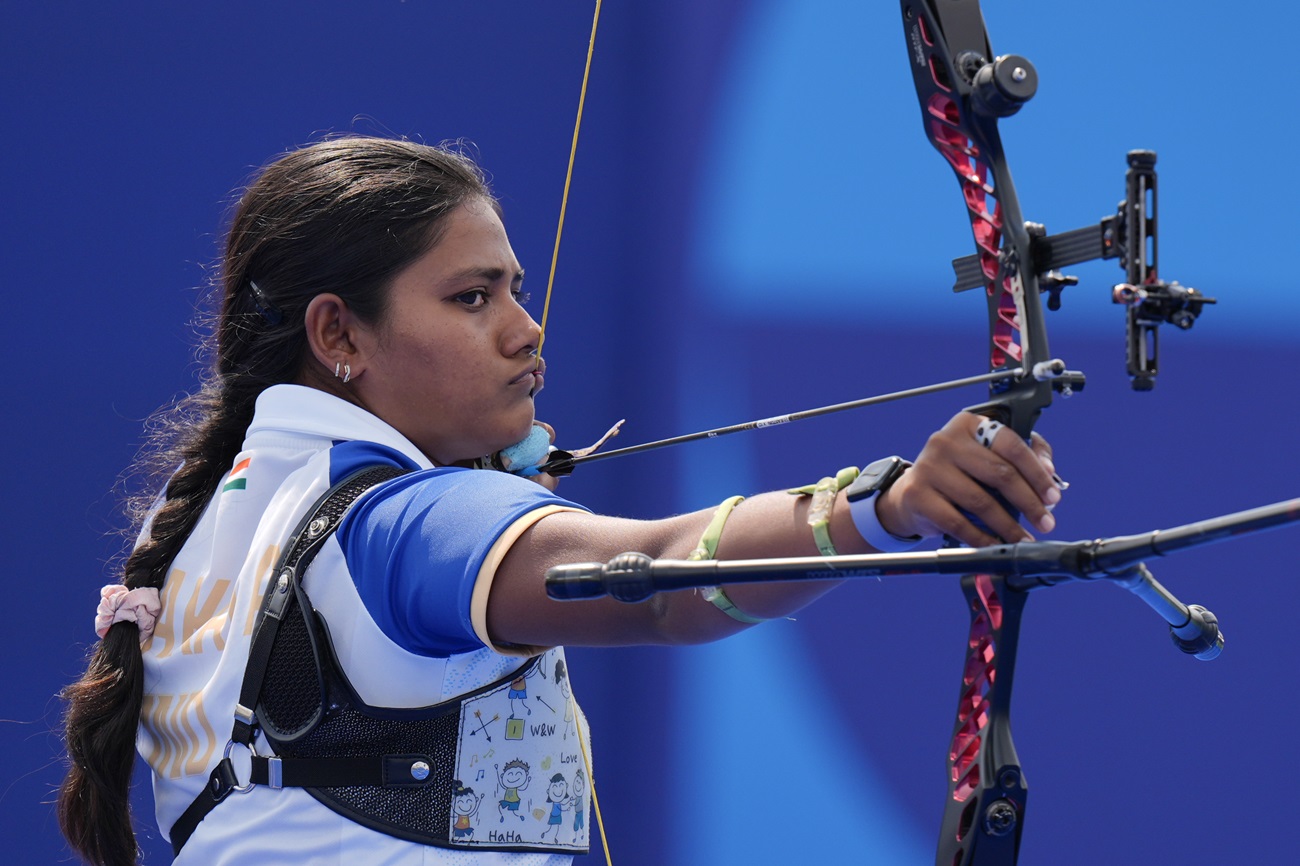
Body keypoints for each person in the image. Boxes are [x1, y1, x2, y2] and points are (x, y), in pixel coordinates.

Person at [58, 136, 1062, 866]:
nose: (525, 330)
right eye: (472, 297)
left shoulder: (199, 519)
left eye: (516, 289)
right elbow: (658, 581)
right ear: (340, 334)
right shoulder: (399, 521)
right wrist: (883, 505)